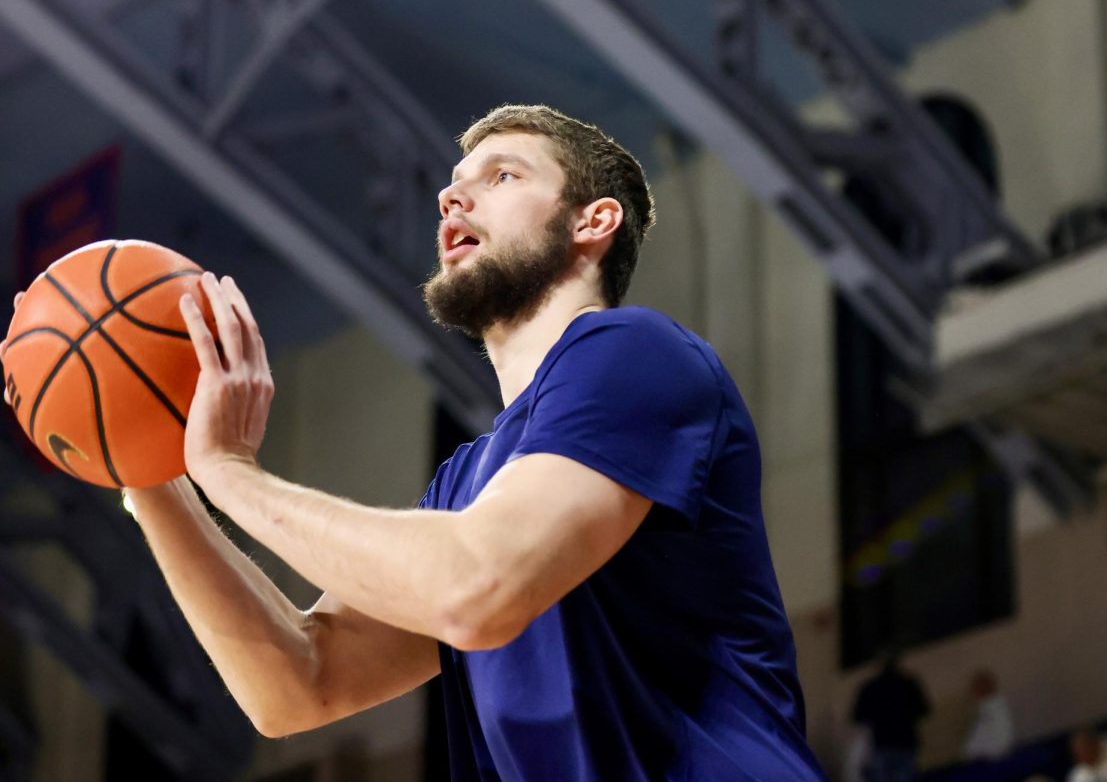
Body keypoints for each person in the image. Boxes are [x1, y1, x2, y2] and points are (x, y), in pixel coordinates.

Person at [2, 105, 826, 780]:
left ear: (592, 221)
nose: (453, 199)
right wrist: (149, 469)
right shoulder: (468, 484)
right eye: (451, 186)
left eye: (502, 176)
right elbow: (299, 685)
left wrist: (229, 474)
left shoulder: (632, 352)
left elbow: (476, 586)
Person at [851, 652, 930, 782]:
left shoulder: (871, 687)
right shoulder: (908, 684)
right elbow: (924, 710)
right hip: (904, 742)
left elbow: (857, 716)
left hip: (882, 743)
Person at [961, 668, 1015, 761]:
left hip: (993, 757)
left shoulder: (991, 708)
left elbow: (991, 735)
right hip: (993, 754)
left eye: (975, 687)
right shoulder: (990, 705)